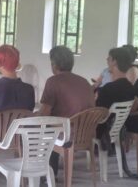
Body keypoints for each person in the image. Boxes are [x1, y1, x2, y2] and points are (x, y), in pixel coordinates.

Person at [38, 45, 95, 177]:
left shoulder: (53, 82)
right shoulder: (84, 82)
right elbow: (92, 108)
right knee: (54, 126)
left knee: (35, 128)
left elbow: (44, 114)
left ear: (54, 64)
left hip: (65, 135)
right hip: (85, 135)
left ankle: (45, 174)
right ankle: (50, 172)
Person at [96, 48, 135, 149]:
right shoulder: (130, 87)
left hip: (101, 131)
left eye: (109, 58)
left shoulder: (108, 88)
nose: (106, 60)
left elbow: (98, 113)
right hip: (118, 130)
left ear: (114, 62)